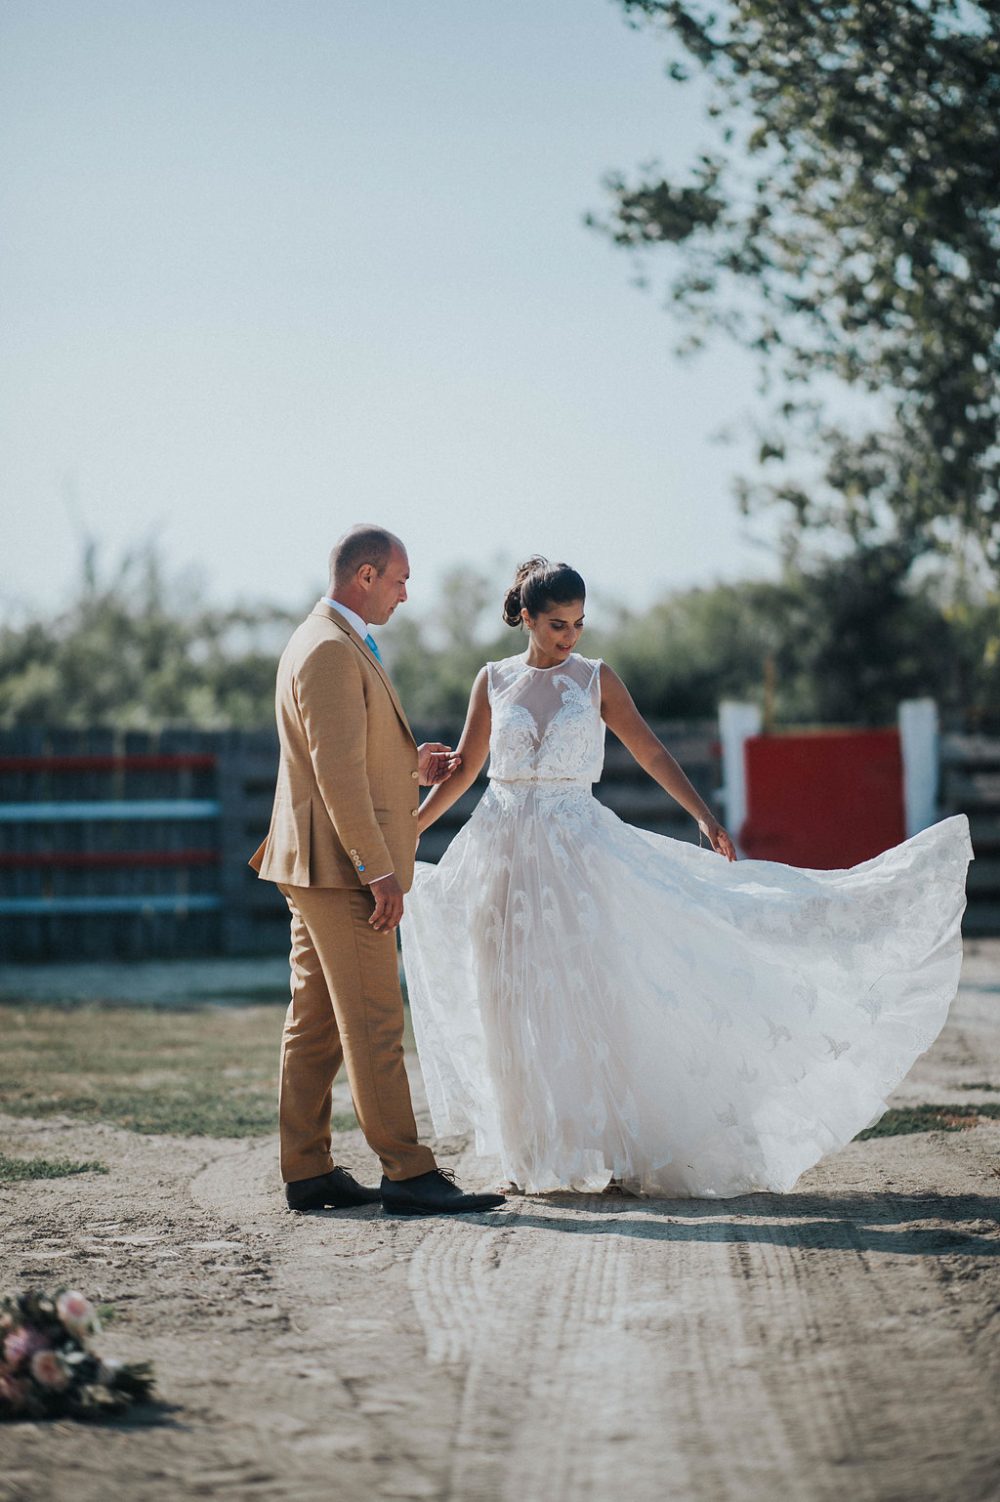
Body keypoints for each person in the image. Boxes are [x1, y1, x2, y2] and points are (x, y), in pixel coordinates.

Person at [399, 556, 973, 1198]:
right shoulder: (492, 681)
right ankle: (526, 1153)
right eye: (558, 624)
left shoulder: (595, 679)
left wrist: (702, 813)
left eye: (580, 623)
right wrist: (410, 832)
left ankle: (614, 1150)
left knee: (589, 998)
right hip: (501, 856)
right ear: (526, 618)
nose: (571, 636)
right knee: (507, 1000)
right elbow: (469, 768)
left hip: (576, 854)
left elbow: (647, 748)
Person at [250, 525, 505, 1216]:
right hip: (341, 871)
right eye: (399, 578)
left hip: (315, 865)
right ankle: (406, 1171)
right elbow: (333, 774)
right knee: (373, 1022)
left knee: (318, 1023)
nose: (405, 591)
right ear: (364, 576)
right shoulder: (331, 648)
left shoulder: (326, 639)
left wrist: (408, 767)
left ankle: (307, 1169)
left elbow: (347, 755)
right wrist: (378, 870)